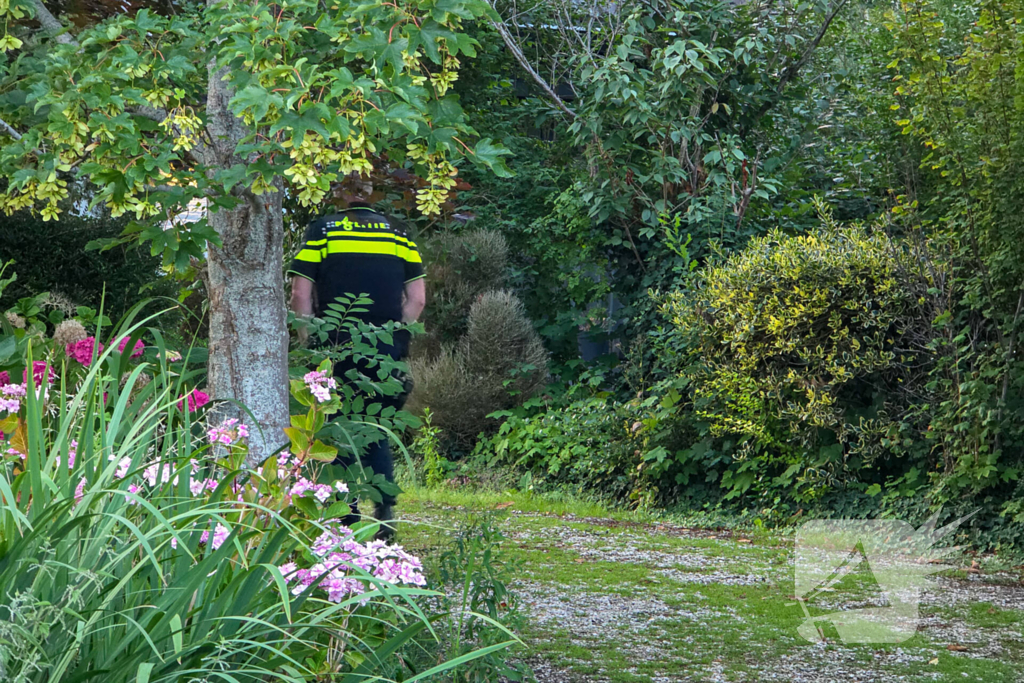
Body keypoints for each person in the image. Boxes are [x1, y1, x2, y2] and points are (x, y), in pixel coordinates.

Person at [288, 177, 426, 539]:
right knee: (376, 424)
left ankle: (344, 517)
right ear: (374, 194)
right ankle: (385, 512)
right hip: (384, 348)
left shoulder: (323, 231)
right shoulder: (398, 234)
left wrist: (308, 339)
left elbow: (300, 293)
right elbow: (418, 298)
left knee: (337, 424)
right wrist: (397, 335)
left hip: (335, 344)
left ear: (339, 194)